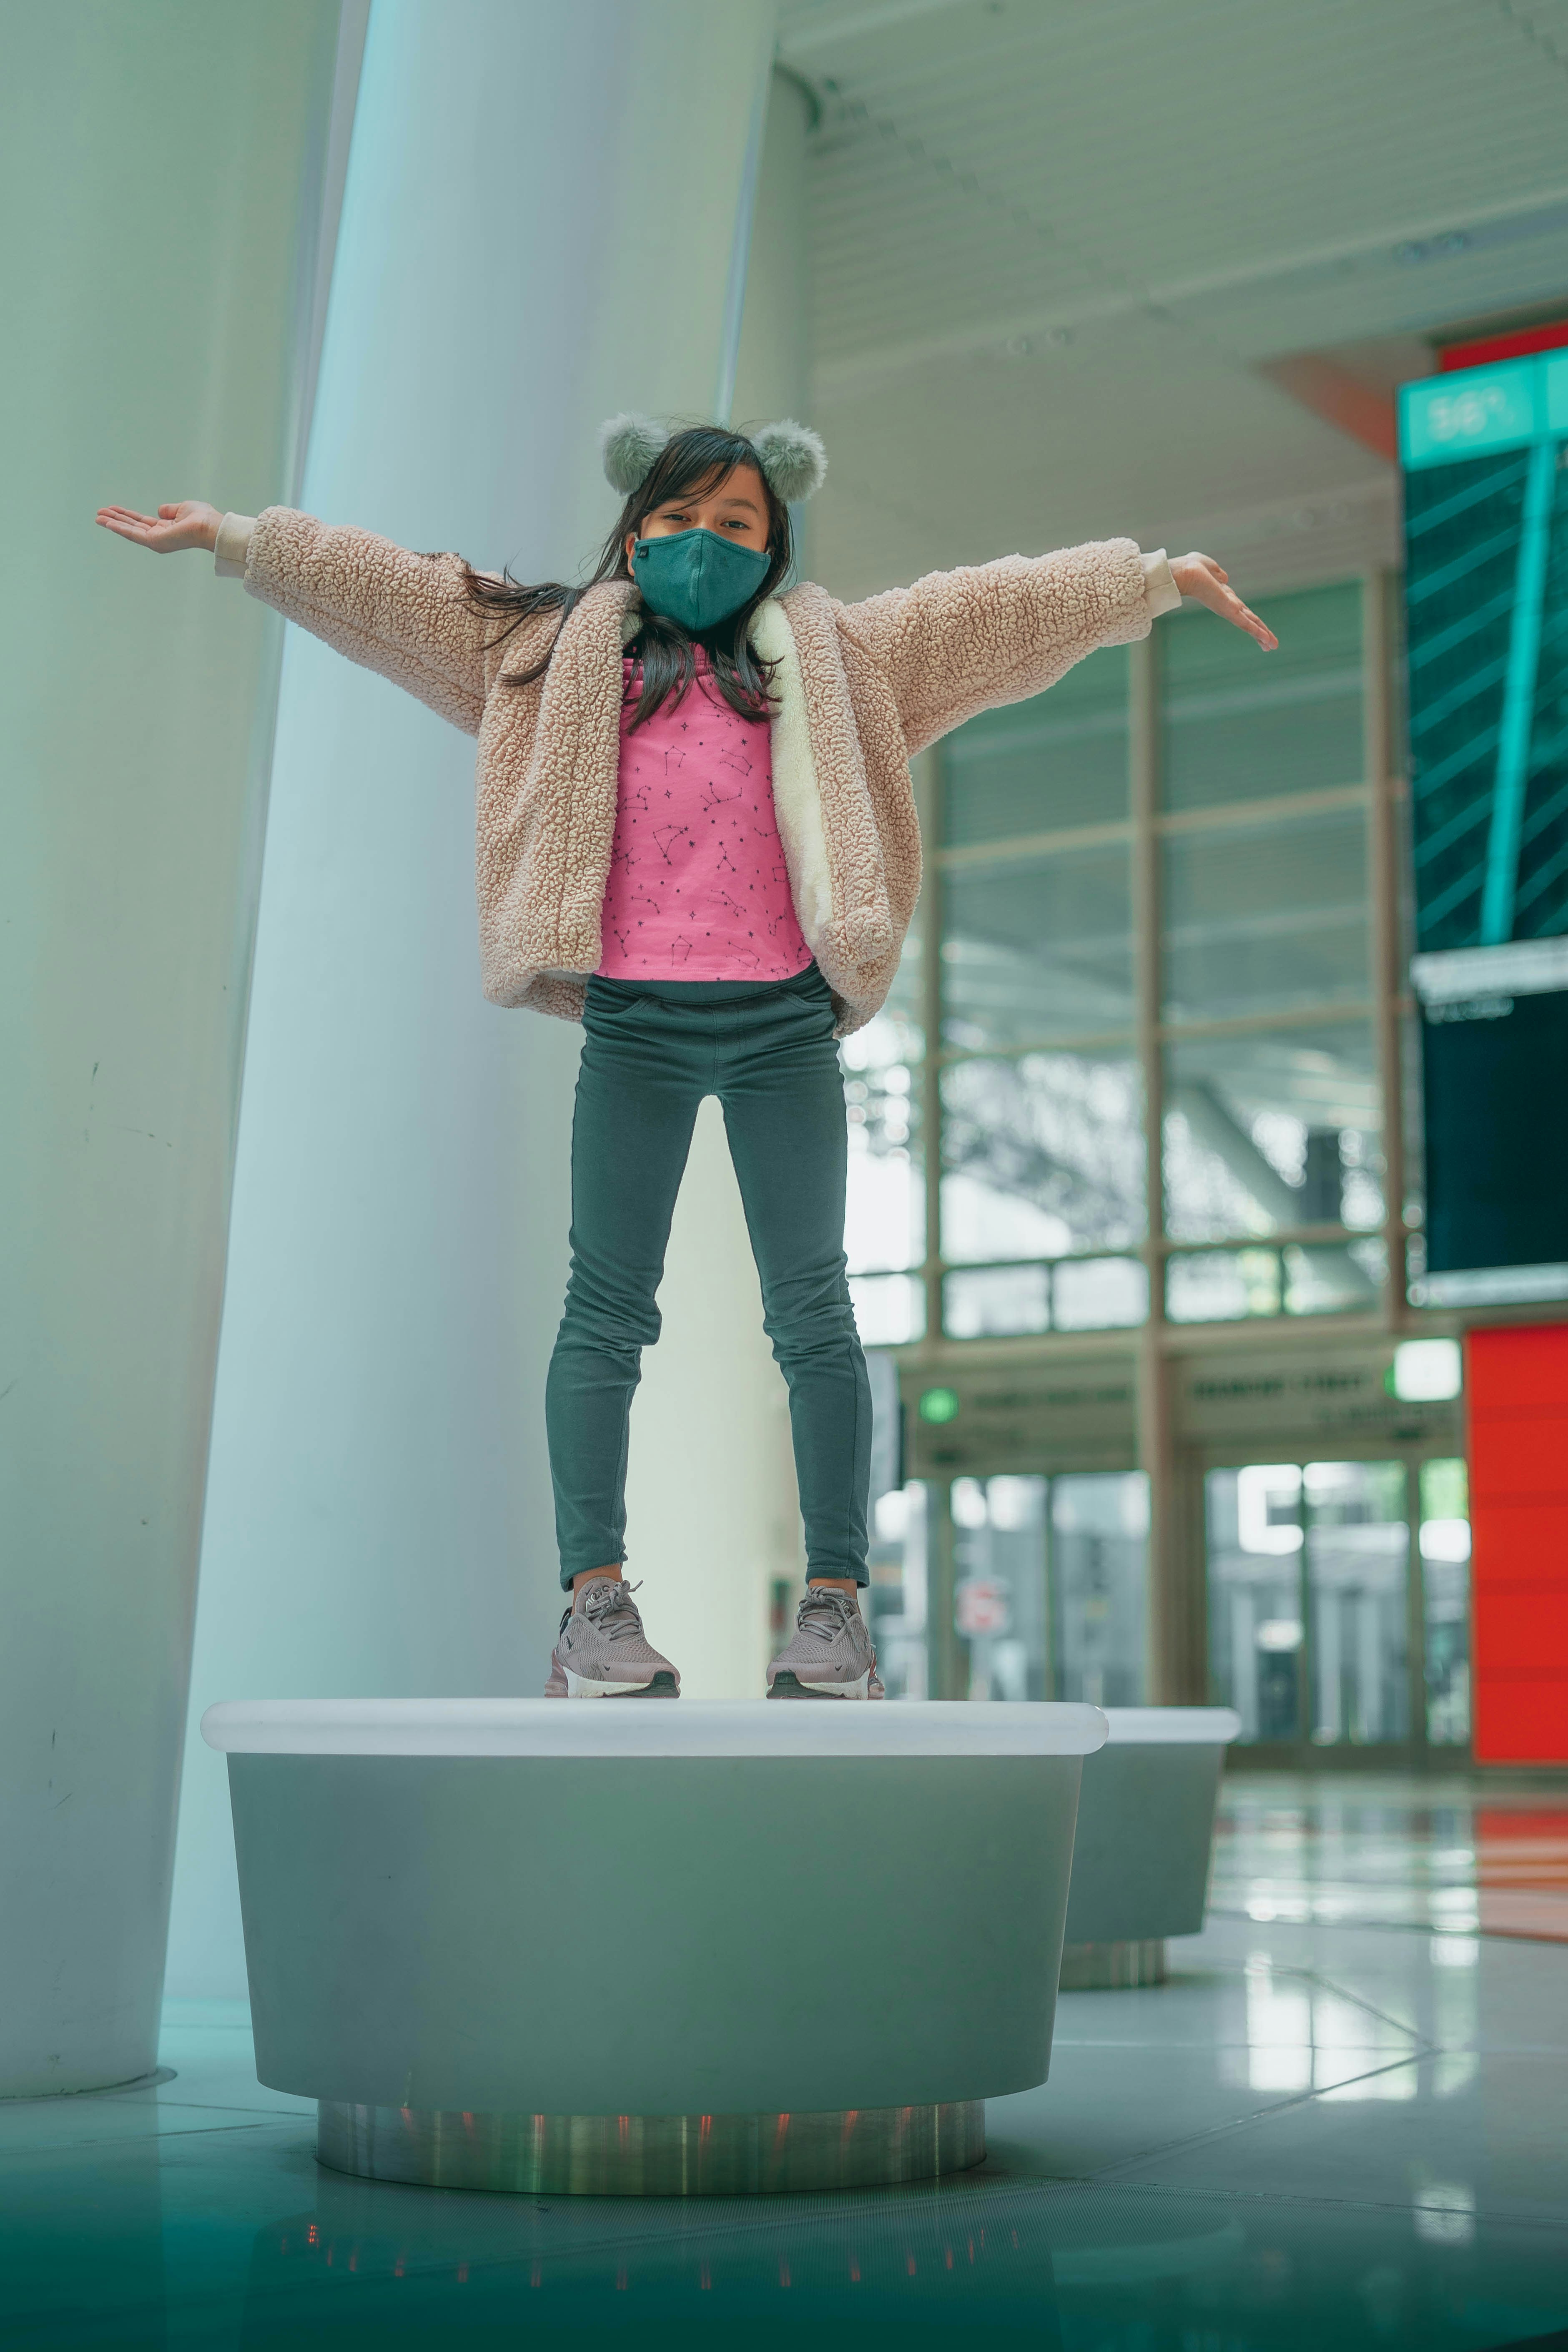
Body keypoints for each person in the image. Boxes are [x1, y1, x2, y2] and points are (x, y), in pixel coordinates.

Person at [98, 416, 1276, 1701]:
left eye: (734, 522)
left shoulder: (837, 660)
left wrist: (1146, 581)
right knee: (605, 1311)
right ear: (633, 528)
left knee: (813, 1311)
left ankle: (835, 1611)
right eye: (675, 517)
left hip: (782, 1025)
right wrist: (241, 539)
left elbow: (985, 614)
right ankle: (593, 1607)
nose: (701, 543)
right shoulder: (549, 653)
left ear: (774, 544)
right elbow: (401, 593)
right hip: (635, 1025)